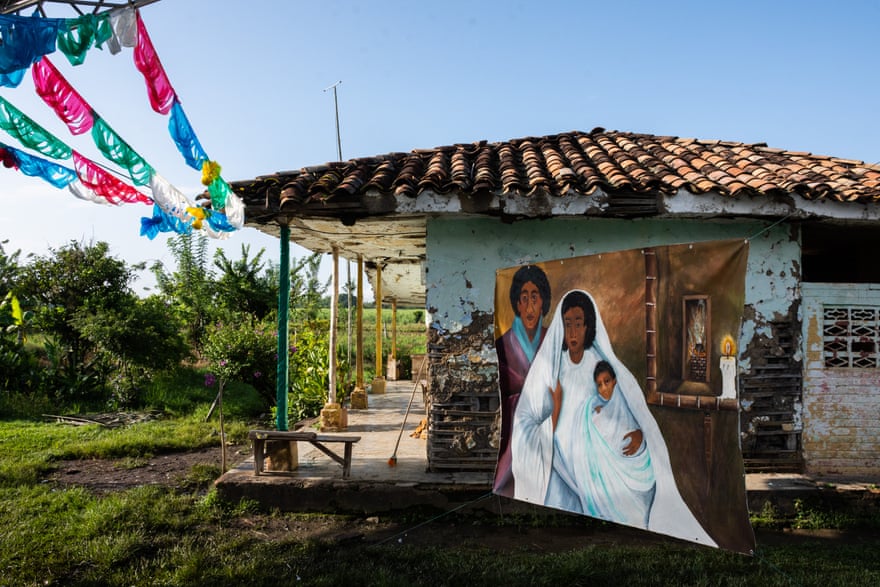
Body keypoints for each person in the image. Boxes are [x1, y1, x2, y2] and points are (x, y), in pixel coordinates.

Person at [512, 289, 716, 547]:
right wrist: (555, 410)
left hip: (607, 452)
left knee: (639, 478)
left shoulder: (600, 364)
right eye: (567, 324)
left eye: (578, 324)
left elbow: (624, 407)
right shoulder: (552, 368)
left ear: (588, 327)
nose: (572, 332)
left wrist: (642, 433)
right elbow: (526, 424)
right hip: (567, 461)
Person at [494, 265, 551, 496]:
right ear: (516, 304)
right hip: (515, 426)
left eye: (534, 298)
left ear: (543, 302)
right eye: (523, 298)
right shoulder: (503, 345)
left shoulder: (553, 341)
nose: (529, 307)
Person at [586, 360, 655, 528]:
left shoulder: (628, 400)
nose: (604, 388)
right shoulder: (598, 411)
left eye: (607, 381)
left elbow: (644, 424)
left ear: (615, 381)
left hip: (639, 472)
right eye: (599, 385)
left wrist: (641, 434)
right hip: (615, 478)